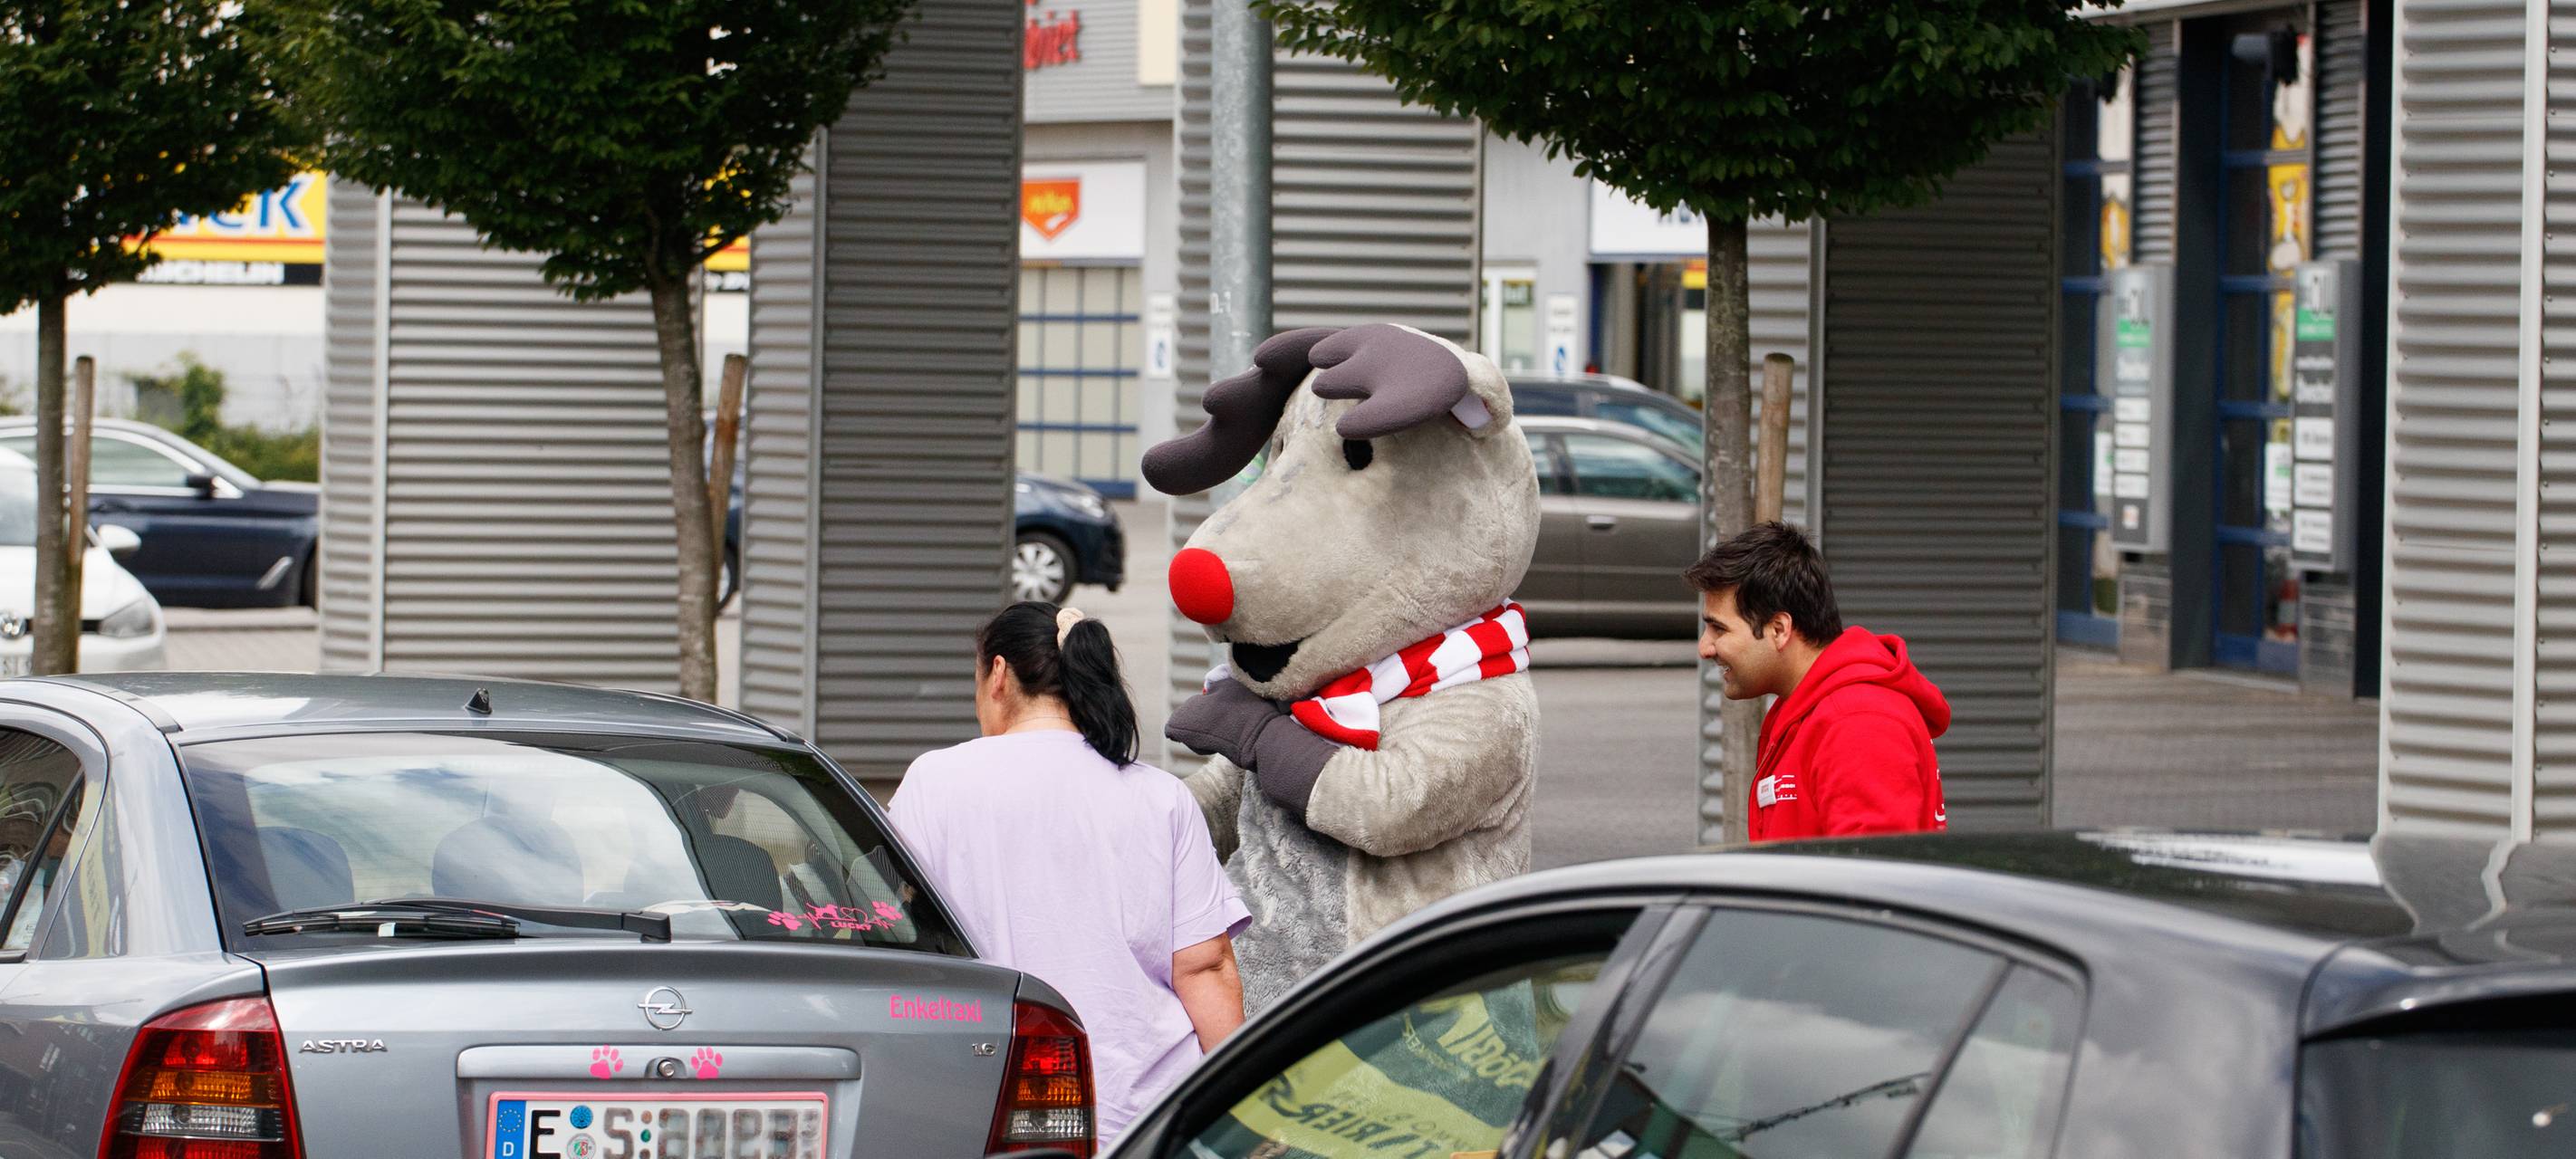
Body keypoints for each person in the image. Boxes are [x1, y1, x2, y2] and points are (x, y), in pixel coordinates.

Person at [890, 601, 1250, 1145]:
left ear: (998, 675)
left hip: (993, 1101)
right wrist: (1242, 1107)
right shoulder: (1161, 797)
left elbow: (895, 929)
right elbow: (1204, 967)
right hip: (1147, 1111)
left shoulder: (935, 782)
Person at [1686, 522, 1950, 842]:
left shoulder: (1857, 721)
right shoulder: (1815, 707)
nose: (1705, 648)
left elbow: (1870, 877)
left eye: (1719, 629)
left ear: (1779, 629)